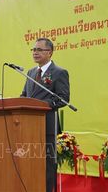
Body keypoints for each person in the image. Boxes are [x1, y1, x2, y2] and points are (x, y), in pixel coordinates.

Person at [20, 38, 70, 192]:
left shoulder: (59, 72)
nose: (35, 53)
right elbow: (24, 95)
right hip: (30, 126)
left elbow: (63, 99)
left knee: (48, 164)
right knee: (31, 162)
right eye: (34, 50)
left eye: (39, 50)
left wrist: (41, 105)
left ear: (50, 52)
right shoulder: (31, 72)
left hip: (47, 126)